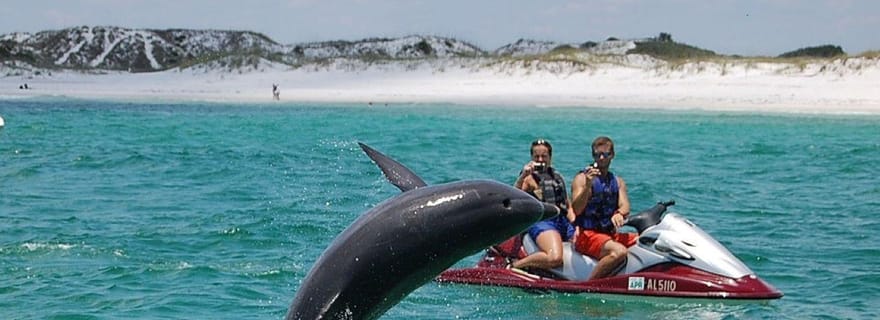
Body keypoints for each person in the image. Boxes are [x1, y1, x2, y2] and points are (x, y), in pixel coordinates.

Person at [571, 136, 637, 280]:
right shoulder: (581, 179)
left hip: (609, 234)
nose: (601, 158)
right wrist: (588, 186)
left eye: (605, 154)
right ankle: (590, 285)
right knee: (619, 252)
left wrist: (619, 213)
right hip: (587, 236)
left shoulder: (617, 181)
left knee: (645, 240)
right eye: (597, 155)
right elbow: (577, 209)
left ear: (612, 155)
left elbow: (625, 205)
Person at [509, 139, 576, 271]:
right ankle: (517, 264)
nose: (540, 160)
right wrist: (523, 176)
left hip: (562, 221)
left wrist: (576, 224)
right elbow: (513, 198)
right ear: (532, 158)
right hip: (542, 222)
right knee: (555, 258)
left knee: (584, 245)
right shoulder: (528, 178)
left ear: (550, 157)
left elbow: (567, 205)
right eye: (536, 157)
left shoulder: (557, 177)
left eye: (544, 156)